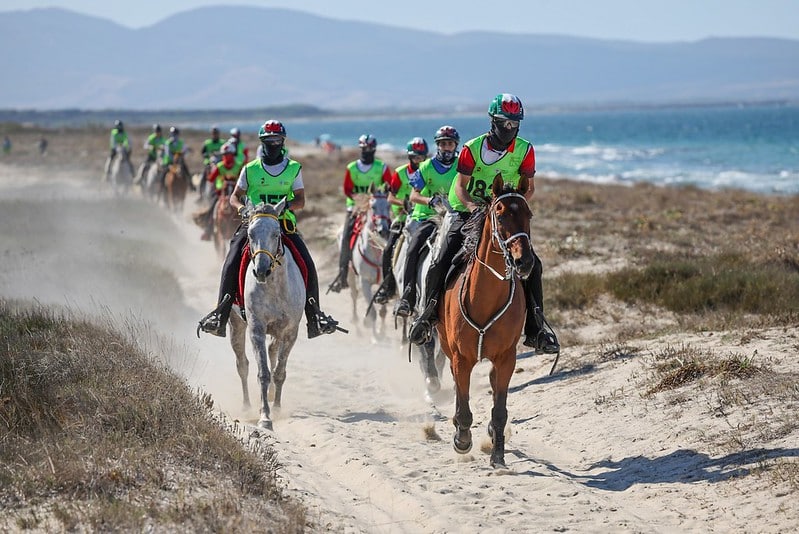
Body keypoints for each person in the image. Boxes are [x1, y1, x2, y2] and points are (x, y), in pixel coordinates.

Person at [409, 93, 560, 354]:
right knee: (443, 257)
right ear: (493, 121)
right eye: (505, 123)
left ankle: (537, 330)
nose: (510, 128)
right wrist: (472, 206)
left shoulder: (525, 149)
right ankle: (428, 315)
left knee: (533, 264)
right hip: (467, 209)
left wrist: (513, 206)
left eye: (515, 123)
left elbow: (530, 188)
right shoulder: (471, 148)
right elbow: (460, 185)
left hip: (502, 213)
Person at [198, 119, 340, 339]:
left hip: (283, 224)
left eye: (276, 140)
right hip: (255, 224)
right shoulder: (250, 169)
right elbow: (235, 196)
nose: (273, 144)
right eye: (268, 140)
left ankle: (315, 316)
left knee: (307, 263)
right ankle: (221, 313)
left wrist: (285, 207)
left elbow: (301, 200)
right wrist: (243, 208)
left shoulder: (293, 168)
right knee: (233, 258)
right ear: (262, 141)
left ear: (282, 141)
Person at [393, 126, 460, 317]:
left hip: (454, 217)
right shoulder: (426, 167)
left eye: (450, 144)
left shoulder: (462, 167)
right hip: (428, 217)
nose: (447, 148)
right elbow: (413, 195)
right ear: (438, 146)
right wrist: (430, 200)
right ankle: (407, 297)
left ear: (455, 145)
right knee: (413, 247)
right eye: (443, 144)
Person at [328, 134, 395, 293]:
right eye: (364, 148)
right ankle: (343, 274)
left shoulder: (382, 167)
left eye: (370, 148)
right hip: (355, 209)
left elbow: (389, 187)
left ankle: (393, 272)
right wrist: (360, 202)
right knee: (345, 236)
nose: (367, 151)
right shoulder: (352, 168)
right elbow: (347, 189)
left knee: (393, 233)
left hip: (377, 209)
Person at [373, 137, 429, 304]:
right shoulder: (400, 173)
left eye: (421, 157)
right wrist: (403, 203)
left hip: (424, 215)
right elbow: (390, 197)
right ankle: (388, 288)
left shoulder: (427, 170)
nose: (418, 160)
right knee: (389, 249)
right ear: (410, 157)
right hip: (403, 218)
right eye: (415, 157)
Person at [200, 141, 243, 240]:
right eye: (225, 154)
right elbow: (211, 178)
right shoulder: (219, 166)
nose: (227, 157)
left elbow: (243, 179)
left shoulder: (239, 166)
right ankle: (208, 230)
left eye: (229, 154)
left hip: (236, 193)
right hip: (221, 192)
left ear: (233, 155)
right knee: (213, 207)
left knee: (245, 207)